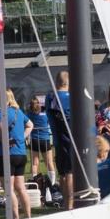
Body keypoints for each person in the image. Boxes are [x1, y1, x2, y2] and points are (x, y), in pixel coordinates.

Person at [0, 89, 34, 219]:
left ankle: (15, 218)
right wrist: (21, 138)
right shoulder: (19, 111)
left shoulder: (1, 112)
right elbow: (30, 125)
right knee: (21, 188)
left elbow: (0, 126)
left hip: (7, 154)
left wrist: (3, 140)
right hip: (21, 153)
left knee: (9, 189)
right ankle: (28, 216)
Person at [46, 70, 74, 210]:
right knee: (70, 172)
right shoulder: (71, 97)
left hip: (57, 141)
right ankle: (69, 204)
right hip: (70, 141)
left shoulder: (50, 97)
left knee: (62, 173)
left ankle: (64, 203)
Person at [25, 95, 55, 182]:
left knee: (35, 163)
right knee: (49, 162)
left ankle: (35, 181)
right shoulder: (45, 115)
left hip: (34, 140)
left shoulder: (29, 115)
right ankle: (52, 182)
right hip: (45, 140)